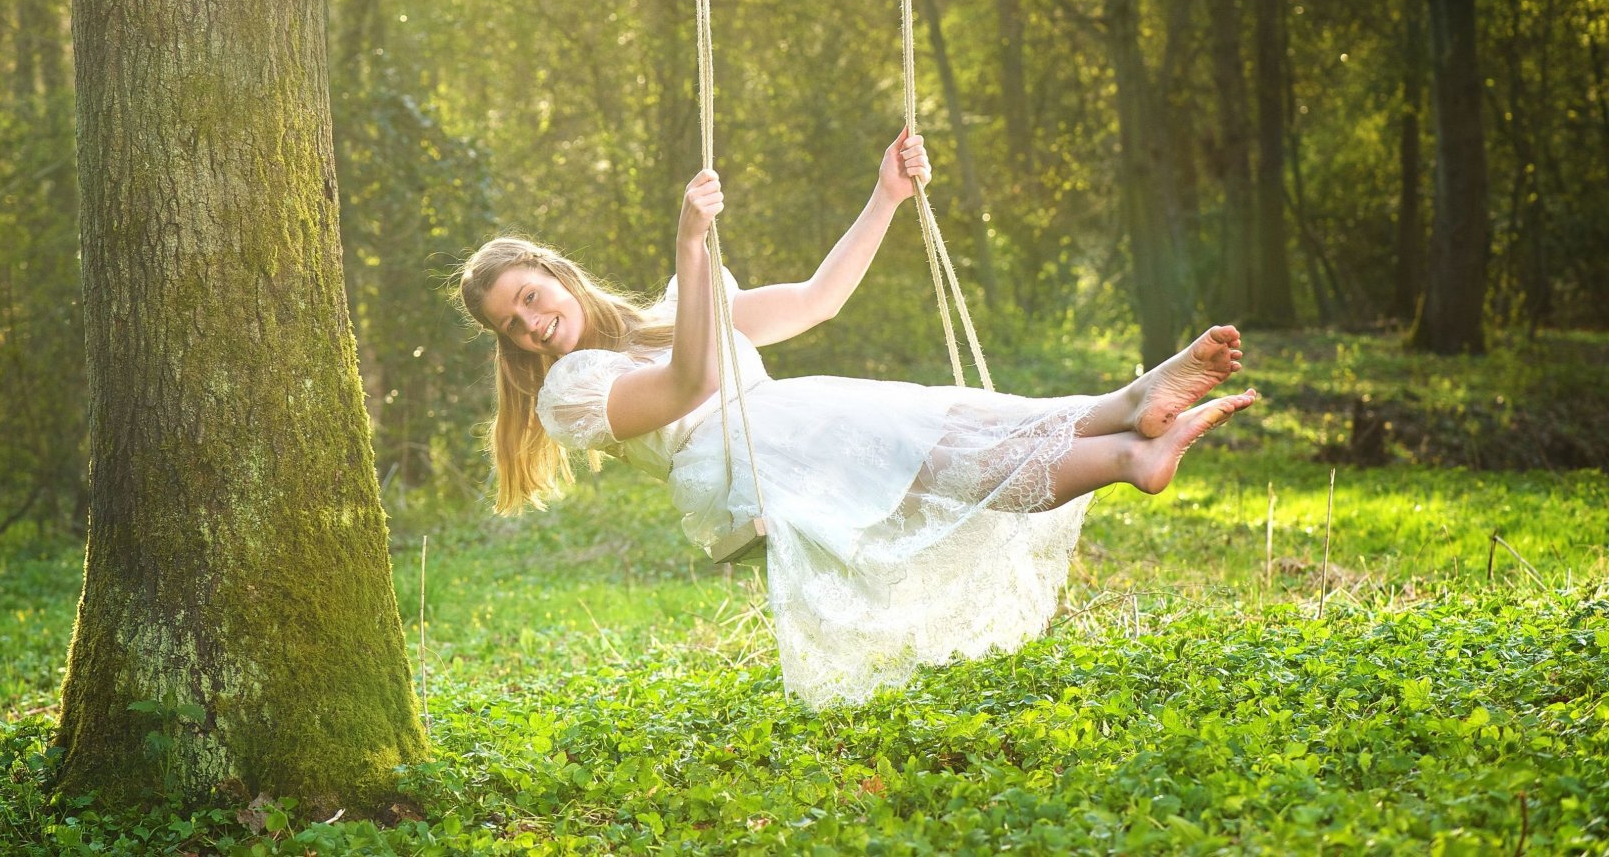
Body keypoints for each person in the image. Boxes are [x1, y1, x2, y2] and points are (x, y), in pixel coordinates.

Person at [457, 129, 1258, 707]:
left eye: (530, 297)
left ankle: (1133, 406)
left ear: (555, 274)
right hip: (745, 461)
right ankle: (1127, 457)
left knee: (958, 417)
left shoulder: (675, 308)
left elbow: (816, 300)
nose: (531, 324)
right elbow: (688, 382)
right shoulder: (570, 392)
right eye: (512, 326)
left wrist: (887, 196)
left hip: (793, 417)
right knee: (946, 464)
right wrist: (690, 246)